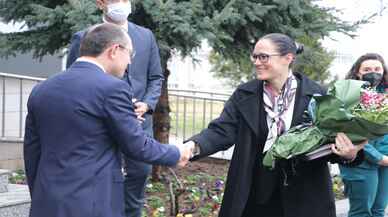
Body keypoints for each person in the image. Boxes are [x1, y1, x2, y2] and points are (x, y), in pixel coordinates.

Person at [185, 33, 365, 217]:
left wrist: (349, 154)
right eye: (254, 56)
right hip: (254, 195)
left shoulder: (318, 95)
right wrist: (193, 146)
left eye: (263, 56)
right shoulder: (245, 94)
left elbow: (332, 142)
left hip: (305, 197)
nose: (256, 62)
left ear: (288, 58)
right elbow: (222, 130)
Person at [24, 23, 193, 217]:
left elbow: (32, 152)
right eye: (130, 54)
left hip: (47, 202)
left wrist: (41, 196)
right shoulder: (113, 89)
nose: (129, 62)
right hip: (92, 203)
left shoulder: (42, 89)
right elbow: (137, 146)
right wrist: (176, 152)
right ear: (114, 50)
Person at [66, 1, 163, 216]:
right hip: (100, 127)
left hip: (139, 126)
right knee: (100, 181)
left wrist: (147, 105)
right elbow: (75, 82)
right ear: (101, 3)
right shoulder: (84, 37)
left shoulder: (146, 36)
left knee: (138, 177)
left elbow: (156, 77)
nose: (122, 3)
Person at [339, 53, 388, 217]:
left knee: (379, 210)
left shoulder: (385, 94)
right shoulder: (349, 94)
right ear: (357, 72)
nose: (373, 72)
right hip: (360, 160)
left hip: (386, 162)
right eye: (367, 69)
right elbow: (348, 131)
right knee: (362, 213)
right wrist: (378, 157)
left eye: (377, 69)